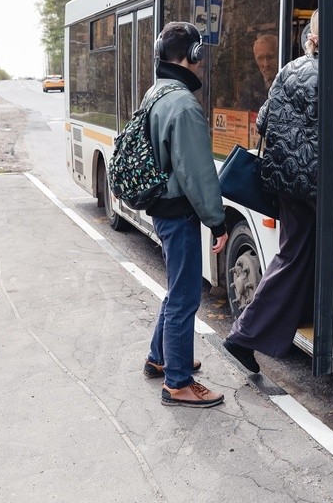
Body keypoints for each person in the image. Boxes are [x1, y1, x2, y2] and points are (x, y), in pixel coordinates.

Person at [223, 11, 319, 374]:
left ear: (309, 38)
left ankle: (251, 335)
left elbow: (263, 121)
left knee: (295, 254)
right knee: (294, 257)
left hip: (286, 184)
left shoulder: (289, 69)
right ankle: (243, 335)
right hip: (315, 185)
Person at [142, 22, 228, 408]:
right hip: (179, 213)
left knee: (177, 288)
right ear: (192, 55)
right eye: (200, 53)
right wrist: (217, 219)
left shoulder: (156, 92)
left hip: (162, 208)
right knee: (186, 295)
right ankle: (177, 382)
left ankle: (161, 358)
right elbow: (197, 171)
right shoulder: (183, 103)